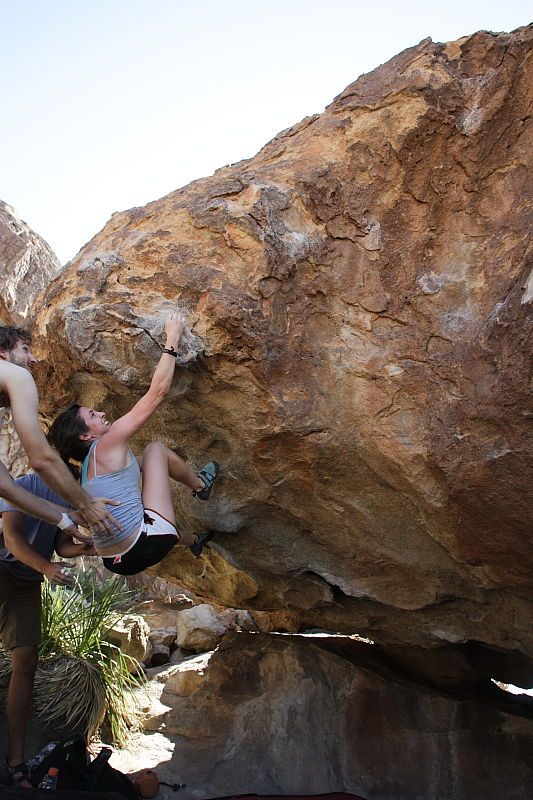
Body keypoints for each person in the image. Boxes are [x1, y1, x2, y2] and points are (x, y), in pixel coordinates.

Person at [48, 310, 219, 575]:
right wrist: (172, 336)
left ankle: (195, 542)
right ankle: (200, 485)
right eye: (93, 415)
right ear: (85, 435)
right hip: (146, 541)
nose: (101, 413)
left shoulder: (85, 473)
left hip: (115, 561)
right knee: (155, 450)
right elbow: (156, 394)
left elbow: (137, 471)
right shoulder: (106, 444)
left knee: (142, 474)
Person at [0, 473, 96, 787]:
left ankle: (16, 761)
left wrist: (84, 548)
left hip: (26, 582)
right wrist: (46, 568)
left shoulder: (71, 495)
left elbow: (61, 545)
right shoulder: (25, 486)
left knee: (26, 659)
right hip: (2, 568)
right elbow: (12, 538)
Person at [0, 326, 119, 537]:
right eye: (26, 349)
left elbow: (6, 488)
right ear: (3, 354)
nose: (34, 359)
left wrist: (65, 519)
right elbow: (41, 459)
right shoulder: (15, 374)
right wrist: (87, 505)